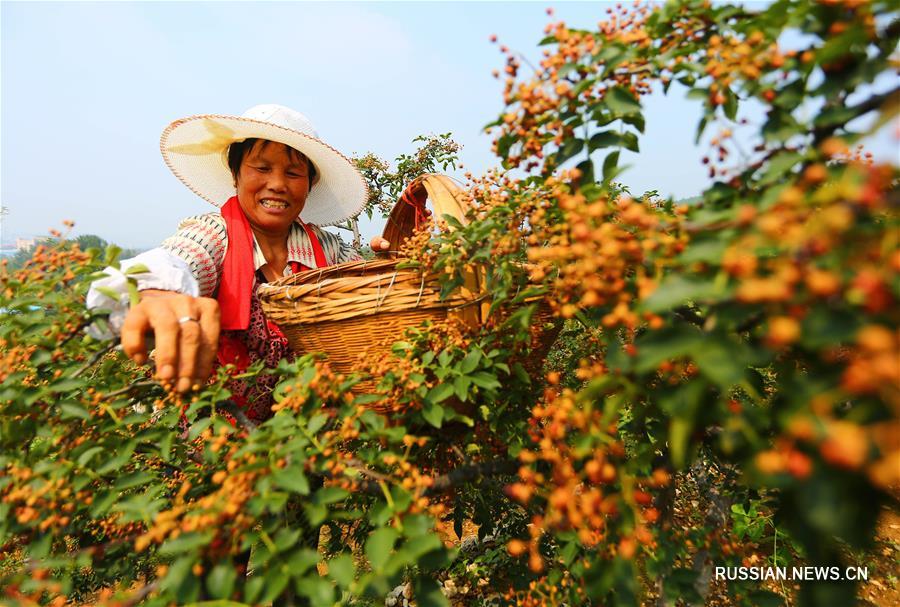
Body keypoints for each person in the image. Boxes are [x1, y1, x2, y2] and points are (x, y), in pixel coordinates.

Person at [88, 104, 390, 422]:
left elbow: (372, 293)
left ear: (309, 184)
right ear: (236, 175)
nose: (277, 183)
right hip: (210, 449)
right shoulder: (216, 235)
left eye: (293, 173)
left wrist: (392, 262)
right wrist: (152, 292)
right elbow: (180, 257)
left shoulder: (327, 252)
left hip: (304, 446)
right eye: (261, 168)